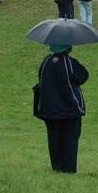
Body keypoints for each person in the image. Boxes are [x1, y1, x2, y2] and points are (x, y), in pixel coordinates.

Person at [36, 44, 88, 172]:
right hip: (70, 109)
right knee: (70, 139)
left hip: (49, 109)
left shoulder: (46, 61)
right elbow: (83, 77)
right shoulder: (71, 63)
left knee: (54, 139)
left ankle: (56, 167)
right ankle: (69, 168)